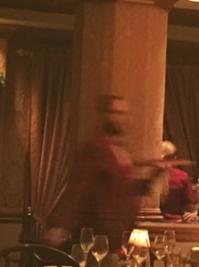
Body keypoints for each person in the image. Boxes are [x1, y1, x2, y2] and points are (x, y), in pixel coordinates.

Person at [46, 95, 160, 251]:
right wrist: (61, 226)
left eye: (123, 113)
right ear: (104, 115)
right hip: (98, 235)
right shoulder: (94, 149)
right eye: (115, 112)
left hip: (122, 236)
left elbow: (128, 191)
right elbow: (77, 191)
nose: (119, 118)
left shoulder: (123, 150)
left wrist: (157, 173)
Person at [156, 141, 198, 222]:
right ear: (174, 158)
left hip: (153, 223)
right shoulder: (182, 176)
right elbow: (190, 207)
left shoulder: (149, 176)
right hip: (176, 223)